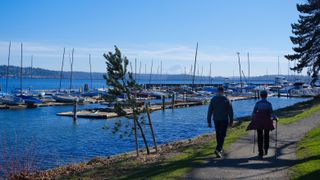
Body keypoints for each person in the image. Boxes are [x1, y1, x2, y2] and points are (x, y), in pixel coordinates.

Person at [207, 86, 234, 158]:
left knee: (218, 134)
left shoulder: (213, 99)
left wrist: (209, 121)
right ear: (223, 91)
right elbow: (230, 111)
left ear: (217, 91)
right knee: (222, 134)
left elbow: (209, 111)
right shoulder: (226, 99)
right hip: (224, 119)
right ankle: (218, 149)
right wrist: (231, 121)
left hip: (216, 119)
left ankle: (219, 148)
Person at [250, 90, 277, 158]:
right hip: (267, 121)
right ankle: (266, 149)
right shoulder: (268, 104)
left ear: (260, 96)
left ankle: (260, 151)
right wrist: (275, 118)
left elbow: (254, 112)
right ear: (266, 96)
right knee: (266, 135)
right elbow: (272, 113)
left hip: (259, 121)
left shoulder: (258, 103)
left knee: (259, 136)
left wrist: (253, 118)